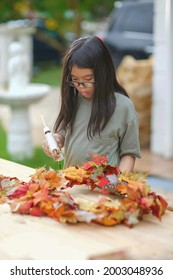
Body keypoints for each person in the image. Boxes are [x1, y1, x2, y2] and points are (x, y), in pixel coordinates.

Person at [43, 36, 141, 174]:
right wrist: (57, 139)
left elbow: (129, 153)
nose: (81, 86)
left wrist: (119, 182)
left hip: (104, 188)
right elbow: (66, 130)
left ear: (104, 74)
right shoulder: (75, 99)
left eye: (88, 79)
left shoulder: (123, 107)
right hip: (72, 184)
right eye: (75, 80)